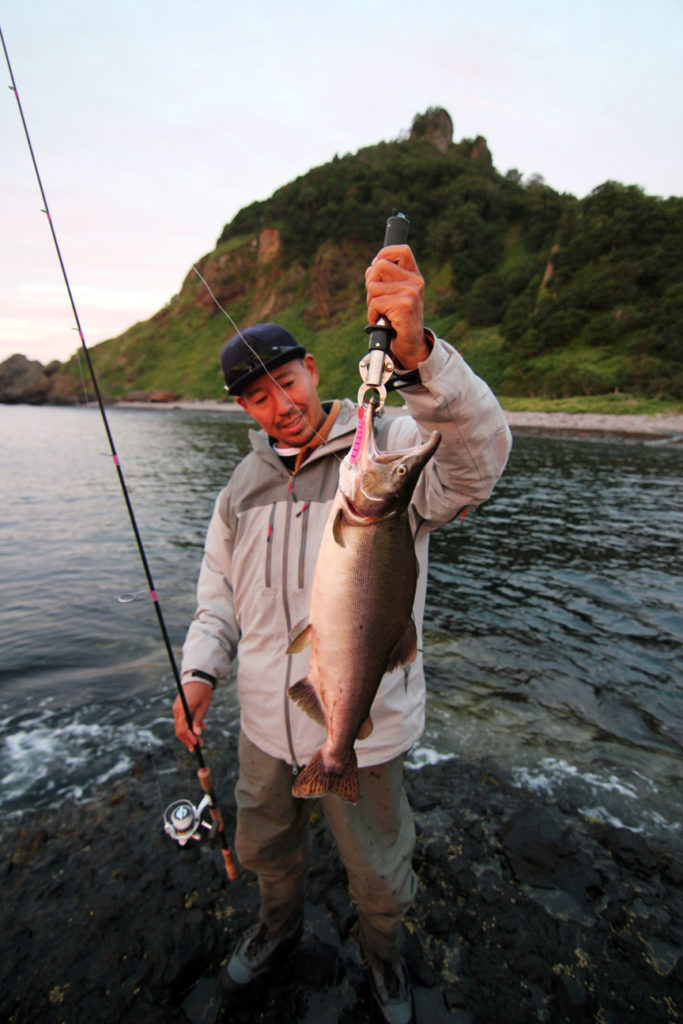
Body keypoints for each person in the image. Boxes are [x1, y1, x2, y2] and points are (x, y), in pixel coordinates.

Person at [174, 243, 512, 1024]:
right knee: (265, 853)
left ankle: (385, 961)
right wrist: (199, 673)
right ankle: (273, 930)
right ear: (243, 409)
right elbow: (215, 597)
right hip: (264, 721)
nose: (280, 405)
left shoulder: (387, 448)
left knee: (381, 873)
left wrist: (419, 354)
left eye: (286, 382)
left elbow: (477, 465)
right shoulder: (240, 488)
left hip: (365, 726)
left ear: (315, 371)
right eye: (258, 397)